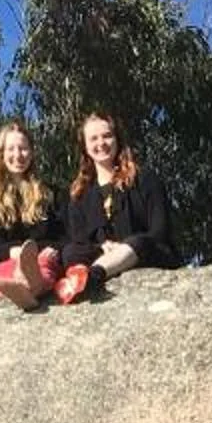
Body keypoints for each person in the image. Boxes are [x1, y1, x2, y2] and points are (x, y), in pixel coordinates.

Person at [55, 109, 176, 302]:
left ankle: (92, 277)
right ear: (85, 146)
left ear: (117, 140)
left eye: (107, 136)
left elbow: (160, 231)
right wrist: (103, 248)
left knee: (139, 242)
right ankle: (81, 277)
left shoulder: (145, 180)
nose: (101, 143)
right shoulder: (79, 195)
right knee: (70, 251)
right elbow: (79, 240)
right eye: (93, 139)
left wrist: (122, 248)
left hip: (142, 253)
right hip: (102, 254)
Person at [0, 121, 61, 308]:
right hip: (4, 268)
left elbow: (66, 237)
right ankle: (25, 287)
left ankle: (30, 285)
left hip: (42, 262)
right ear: (1, 155)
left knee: (42, 266)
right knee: (3, 276)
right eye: (11, 149)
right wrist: (13, 253)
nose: (18, 155)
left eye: (23, 148)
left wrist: (40, 252)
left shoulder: (51, 196)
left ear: (32, 153)